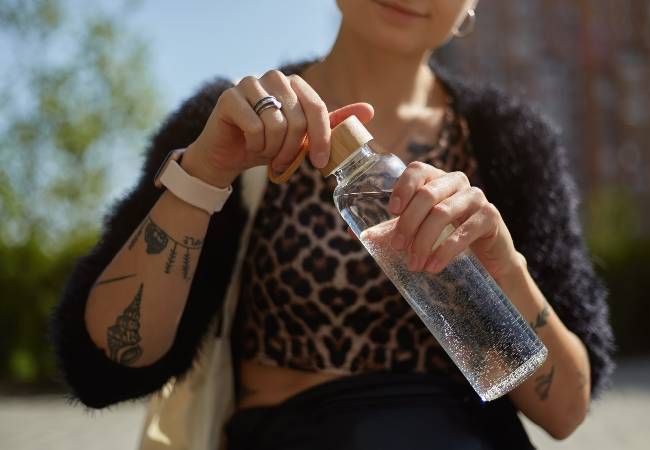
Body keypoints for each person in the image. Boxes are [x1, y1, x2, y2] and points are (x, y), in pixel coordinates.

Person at [50, 1, 615, 449]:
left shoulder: (510, 143)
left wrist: (500, 263)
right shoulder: (233, 124)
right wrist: (203, 176)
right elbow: (110, 362)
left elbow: (564, 412)